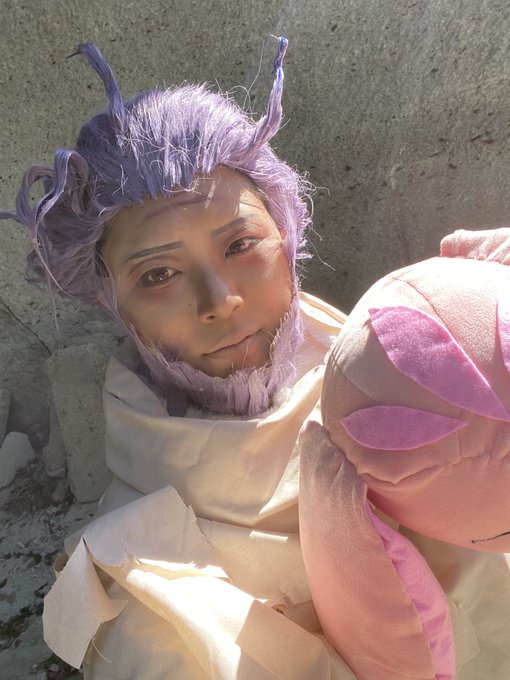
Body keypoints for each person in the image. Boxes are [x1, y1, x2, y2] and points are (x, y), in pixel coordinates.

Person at [2, 39, 355, 679]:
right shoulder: (143, 599)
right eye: (159, 274)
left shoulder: (403, 384)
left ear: (287, 233)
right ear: (113, 301)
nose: (221, 301)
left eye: (241, 243)